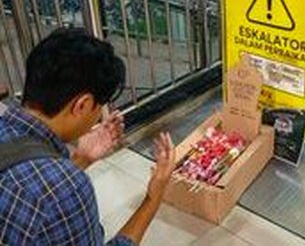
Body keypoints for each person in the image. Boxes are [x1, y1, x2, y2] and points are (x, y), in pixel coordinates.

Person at [0, 27, 176, 245]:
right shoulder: (67, 189)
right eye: (99, 107)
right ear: (82, 105)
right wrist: (153, 197)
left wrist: (80, 160)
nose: (98, 117)